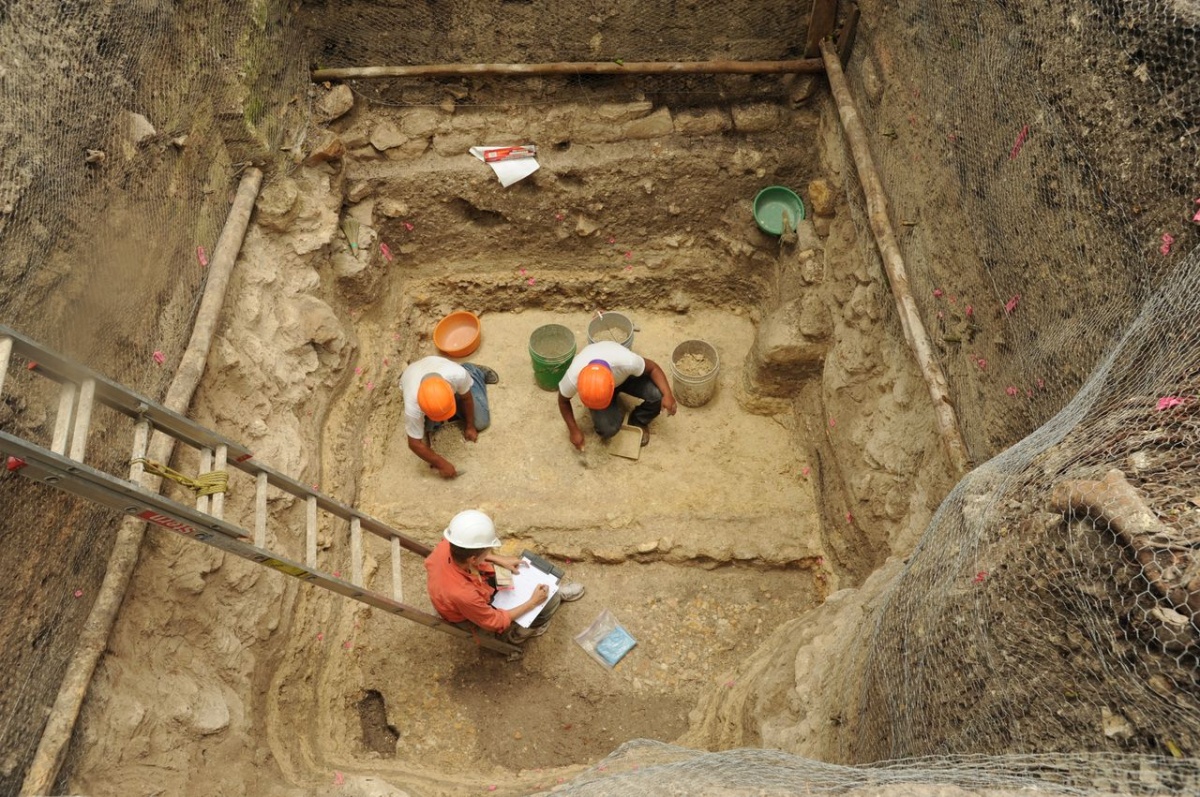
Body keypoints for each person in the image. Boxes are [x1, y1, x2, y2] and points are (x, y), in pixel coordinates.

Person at [424, 509, 585, 644]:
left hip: (472, 586)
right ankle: (520, 633)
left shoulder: (450, 544)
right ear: (473, 559)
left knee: (511, 576)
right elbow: (494, 622)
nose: (490, 552)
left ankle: (549, 592)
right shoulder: (464, 594)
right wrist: (532, 602)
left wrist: (500, 560)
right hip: (468, 612)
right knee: (547, 604)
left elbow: (471, 558)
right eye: (488, 550)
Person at [557, 340, 677, 449]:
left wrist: (668, 394)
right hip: (605, 384)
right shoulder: (573, 376)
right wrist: (573, 430)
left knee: (657, 395)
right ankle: (602, 407)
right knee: (607, 429)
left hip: (625, 378)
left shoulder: (627, 362)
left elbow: (653, 369)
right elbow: (563, 401)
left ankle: (638, 419)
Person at [400, 355, 498, 479]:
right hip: (412, 374)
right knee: (432, 429)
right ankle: (441, 414)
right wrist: (440, 463)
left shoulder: (457, 375)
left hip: (445, 371)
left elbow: (466, 398)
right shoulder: (412, 404)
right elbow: (414, 444)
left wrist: (470, 426)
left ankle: (473, 371)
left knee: (481, 422)